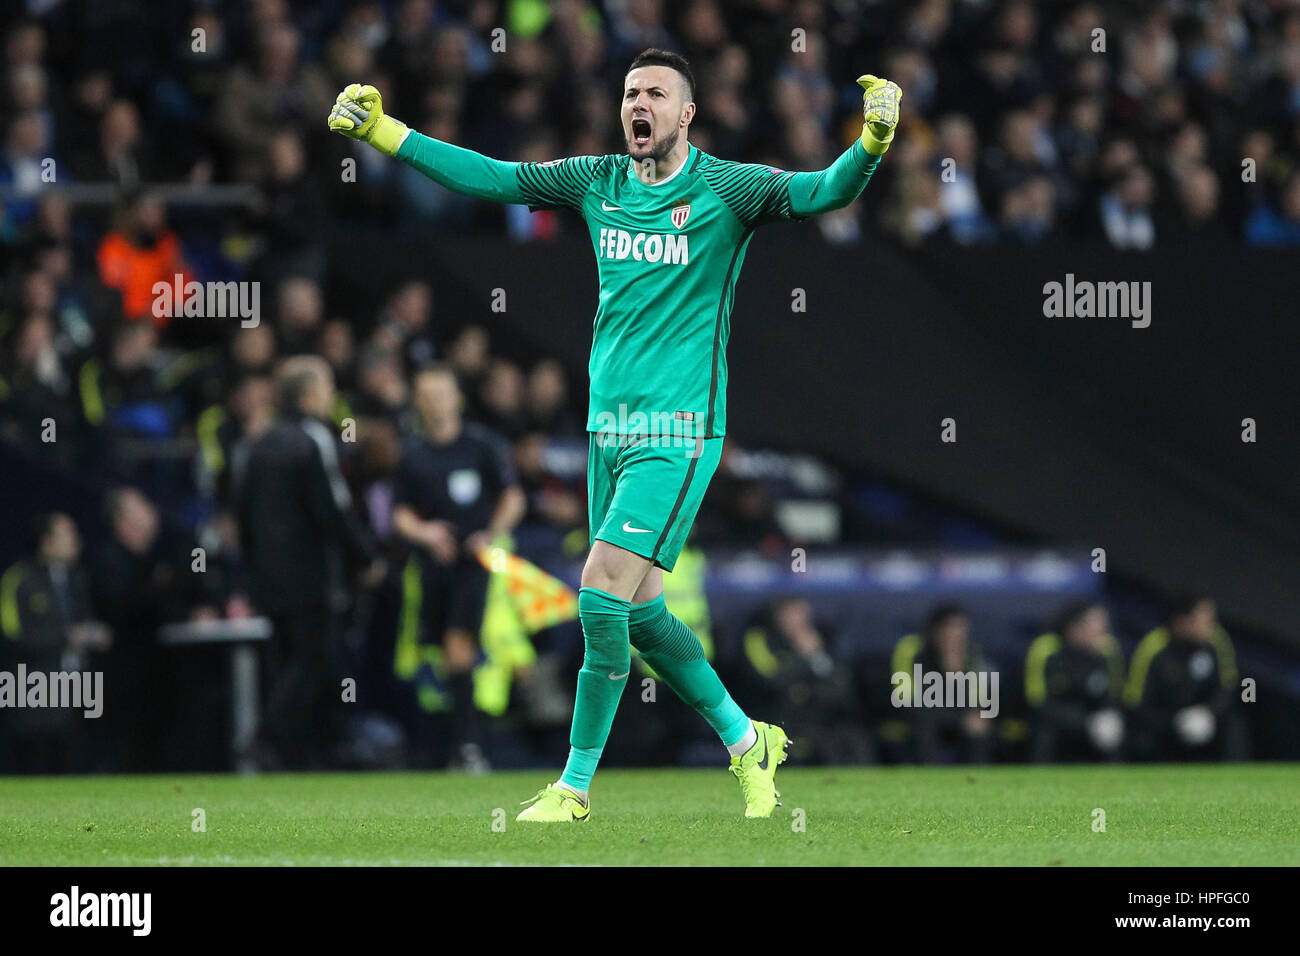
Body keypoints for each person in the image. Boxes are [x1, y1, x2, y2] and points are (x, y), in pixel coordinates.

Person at [327, 49, 902, 820]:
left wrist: (871, 141)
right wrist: (389, 132)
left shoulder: (727, 190)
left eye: (656, 93)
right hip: (610, 432)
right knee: (637, 615)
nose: (639, 103)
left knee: (598, 595)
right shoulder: (596, 180)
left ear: (686, 113)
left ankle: (573, 787)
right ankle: (746, 740)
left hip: (678, 431)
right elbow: (495, 177)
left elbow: (826, 193)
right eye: (631, 92)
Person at [237, 356, 383, 768]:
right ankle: (266, 737)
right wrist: (366, 558)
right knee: (313, 659)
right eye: (326, 387)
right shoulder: (313, 438)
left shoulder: (258, 441)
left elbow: (242, 509)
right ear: (309, 395)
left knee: (288, 659)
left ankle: (293, 753)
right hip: (311, 574)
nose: (331, 396)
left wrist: (250, 569)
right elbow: (332, 509)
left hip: (267, 576)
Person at [391, 363, 525, 770]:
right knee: (437, 654)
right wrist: (426, 534)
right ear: (418, 402)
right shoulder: (413, 454)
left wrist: (490, 533)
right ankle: (445, 746)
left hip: (474, 565)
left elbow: (513, 497)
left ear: (457, 398)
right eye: (427, 396)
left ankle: (467, 746)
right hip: (432, 568)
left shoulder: (482, 446)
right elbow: (399, 513)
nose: (436, 403)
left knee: (458, 644)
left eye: (442, 394)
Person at [1125, 595, 1247, 761]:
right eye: (1204, 621)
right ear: (1182, 622)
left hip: (1205, 720)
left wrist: (1208, 713)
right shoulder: (1154, 646)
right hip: (1166, 724)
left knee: (1235, 724)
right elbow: (1135, 700)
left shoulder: (1218, 640)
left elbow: (1228, 689)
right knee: (1140, 736)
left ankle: (1235, 778)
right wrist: (1174, 722)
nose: (1210, 626)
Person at [1025, 600, 1126, 762]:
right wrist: (1086, 722)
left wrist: (1107, 717)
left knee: (1111, 726)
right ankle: (1041, 778)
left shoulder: (1109, 650)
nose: (1104, 630)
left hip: (1095, 724)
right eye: (1097, 623)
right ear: (1074, 629)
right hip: (1058, 724)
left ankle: (1114, 778)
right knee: (1045, 731)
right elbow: (1038, 702)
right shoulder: (1046, 649)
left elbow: (1114, 695)